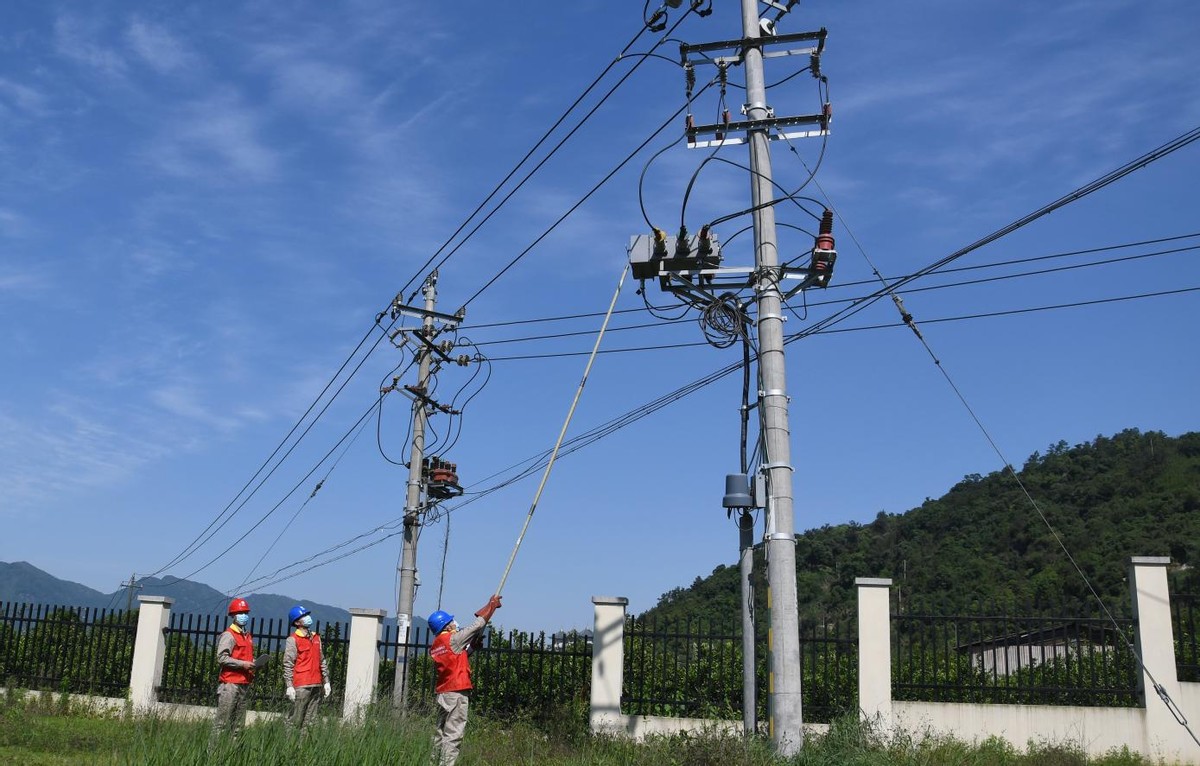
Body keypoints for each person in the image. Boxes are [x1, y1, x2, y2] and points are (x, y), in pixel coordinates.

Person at [428, 594, 502, 766]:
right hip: (456, 694)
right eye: (451, 621)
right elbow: (476, 626)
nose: (455, 623)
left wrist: (472, 648)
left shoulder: (437, 645)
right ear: (447, 625)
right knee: (453, 736)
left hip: (443, 694)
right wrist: (491, 606)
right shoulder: (453, 639)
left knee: (439, 734)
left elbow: (455, 660)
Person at [209, 597, 264, 747]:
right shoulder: (229, 635)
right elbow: (222, 658)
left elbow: (245, 658)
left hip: (244, 683)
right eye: (240, 612)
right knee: (221, 724)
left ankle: (233, 754)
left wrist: (253, 665)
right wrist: (243, 664)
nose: (244, 615)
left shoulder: (247, 636)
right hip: (230, 683)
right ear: (233, 615)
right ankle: (212, 754)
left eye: (245, 612)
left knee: (238, 727)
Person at [282, 604, 331, 733]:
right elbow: (288, 663)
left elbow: (322, 660)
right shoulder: (293, 640)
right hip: (301, 685)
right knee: (295, 720)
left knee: (310, 722)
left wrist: (326, 681)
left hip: (316, 683)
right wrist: (289, 685)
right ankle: (289, 747)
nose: (307, 617)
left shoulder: (316, 637)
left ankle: (303, 748)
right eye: (303, 616)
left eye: (306, 615)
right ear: (297, 622)